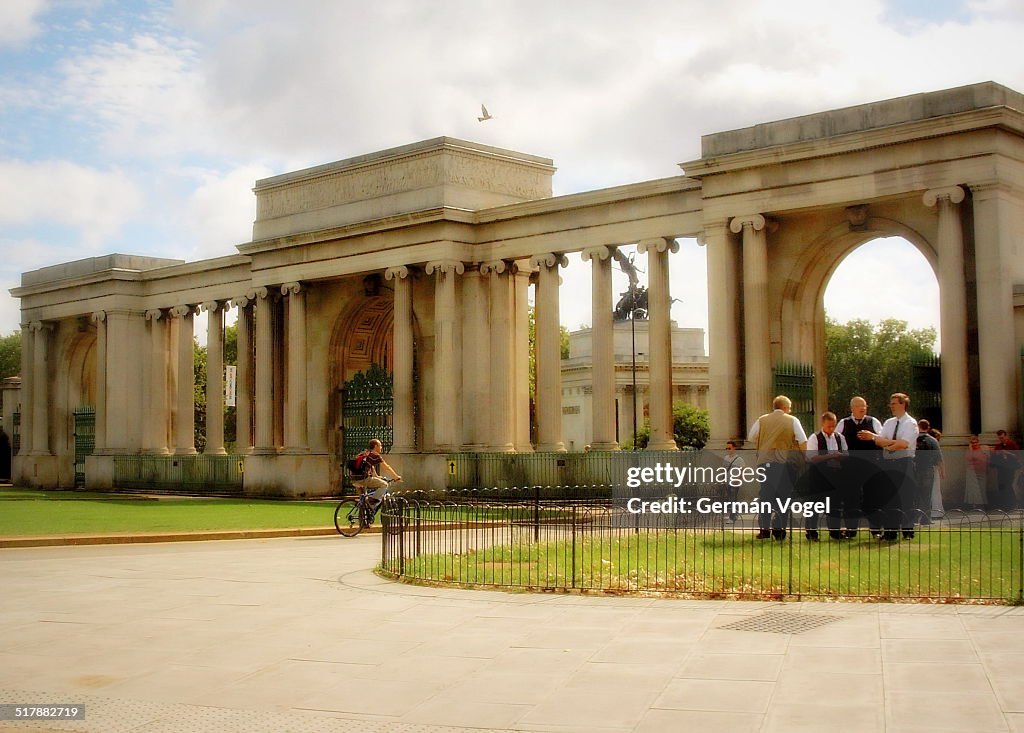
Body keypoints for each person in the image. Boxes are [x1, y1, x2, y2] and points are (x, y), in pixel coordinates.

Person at [857, 393, 917, 540]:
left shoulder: (910, 423)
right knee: (890, 498)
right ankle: (890, 532)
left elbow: (903, 444)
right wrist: (891, 443)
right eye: (891, 403)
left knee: (906, 497)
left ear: (903, 404)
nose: (891, 406)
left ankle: (908, 531)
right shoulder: (889, 423)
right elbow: (880, 442)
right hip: (889, 464)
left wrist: (886, 442)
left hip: (904, 462)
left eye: (894, 403)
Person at [747, 395, 808, 540]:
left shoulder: (762, 420)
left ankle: (764, 530)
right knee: (783, 497)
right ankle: (779, 530)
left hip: (764, 463)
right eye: (790, 408)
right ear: (785, 408)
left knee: (765, 496)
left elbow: (751, 437)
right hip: (784, 464)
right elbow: (803, 440)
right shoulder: (792, 420)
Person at [837, 396, 884, 538]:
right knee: (850, 498)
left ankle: (875, 529)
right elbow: (837, 442)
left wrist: (872, 436)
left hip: (871, 466)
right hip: (850, 467)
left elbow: (882, 440)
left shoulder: (873, 421)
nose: (863, 408)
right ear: (852, 408)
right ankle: (851, 530)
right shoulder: (843, 423)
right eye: (859, 406)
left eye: (864, 405)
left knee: (873, 497)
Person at [804, 412, 849, 540]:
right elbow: (812, 457)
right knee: (814, 504)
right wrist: (831, 456)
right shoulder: (815, 437)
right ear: (822, 424)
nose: (831, 429)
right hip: (818, 474)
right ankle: (811, 532)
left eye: (833, 426)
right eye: (829, 426)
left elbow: (847, 454)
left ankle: (835, 532)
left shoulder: (840, 438)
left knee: (834, 504)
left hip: (836, 473)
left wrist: (841, 457)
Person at [349, 439, 402, 507]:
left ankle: (363, 515)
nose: (381, 447)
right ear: (376, 446)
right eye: (380, 445)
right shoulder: (375, 455)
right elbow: (386, 467)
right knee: (384, 485)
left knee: (364, 503)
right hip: (363, 479)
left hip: (354, 479)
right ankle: (374, 499)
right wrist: (396, 477)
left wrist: (376, 476)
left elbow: (370, 466)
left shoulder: (365, 453)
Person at [914, 419, 942, 525]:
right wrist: (942, 470)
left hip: (915, 468)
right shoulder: (933, 440)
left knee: (915, 495)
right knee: (927, 495)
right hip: (928, 469)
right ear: (928, 427)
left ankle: (914, 518)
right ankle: (925, 519)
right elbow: (939, 457)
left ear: (918, 426)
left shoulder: (914, 439)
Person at [990, 430, 1021, 511]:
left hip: (1010, 469)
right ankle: (1006, 504)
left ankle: (1013, 503)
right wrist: (995, 453)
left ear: (1006, 436)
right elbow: (994, 457)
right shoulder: (998, 446)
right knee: (1001, 486)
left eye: (1002, 438)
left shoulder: (1012, 444)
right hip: (1001, 469)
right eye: (1000, 438)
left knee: (1008, 485)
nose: (1001, 439)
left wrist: (1007, 453)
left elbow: (1017, 456)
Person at [722, 440, 746, 523]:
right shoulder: (726, 458)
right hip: (728, 481)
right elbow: (724, 469)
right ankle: (735, 514)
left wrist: (738, 480)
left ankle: (732, 517)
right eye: (727, 448)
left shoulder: (739, 459)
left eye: (729, 448)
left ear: (734, 448)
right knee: (732, 499)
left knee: (732, 499)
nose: (728, 450)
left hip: (735, 482)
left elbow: (742, 470)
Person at [964, 435, 989, 510]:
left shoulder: (983, 449)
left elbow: (986, 460)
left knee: (982, 488)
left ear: (978, 442)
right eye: (972, 443)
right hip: (972, 471)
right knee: (973, 489)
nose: (974, 444)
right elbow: (968, 458)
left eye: (975, 442)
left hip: (981, 471)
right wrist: (970, 449)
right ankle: (975, 505)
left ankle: (981, 505)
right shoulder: (969, 450)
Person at [927, 426, 945, 519]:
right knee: (935, 490)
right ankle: (937, 512)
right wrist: (943, 471)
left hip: (924, 468)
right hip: (934, 468)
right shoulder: (934, 443)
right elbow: (939, 458)